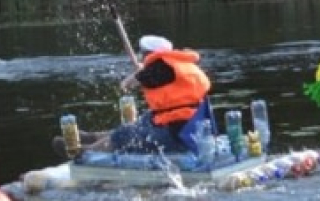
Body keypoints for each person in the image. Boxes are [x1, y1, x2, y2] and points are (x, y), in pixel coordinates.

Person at [61, 35, 215, 157]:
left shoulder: (158, 68)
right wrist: (143, 71)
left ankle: (84, 152)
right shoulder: (181, 64)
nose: (141, 57)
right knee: (142, 121)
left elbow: (126, 85)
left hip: (178, 135)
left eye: (143, 54)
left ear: (150, 54)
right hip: (193, 127)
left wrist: (140, 72)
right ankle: (93, 137)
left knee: (125, 134)